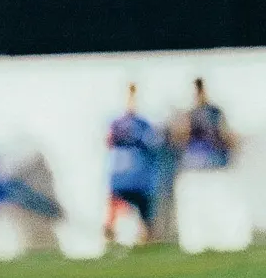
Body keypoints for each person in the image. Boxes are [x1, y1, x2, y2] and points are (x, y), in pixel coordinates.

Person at [169, 78, 250, 254]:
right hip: (194, 167)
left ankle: (223, 241)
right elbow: (179, 138)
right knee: (195, 209)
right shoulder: (189, 115)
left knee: (218, 206)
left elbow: (227, 137)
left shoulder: (214, 113)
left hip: (214, 166)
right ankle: (197, 243)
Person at [104, 83, 160, 245]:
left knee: (144, 209)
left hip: (139, 174)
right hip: (124, 174)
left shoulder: (143, 123)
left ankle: (145, 237)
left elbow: (152, 143)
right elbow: (108, 141)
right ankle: (112, 235)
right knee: (118, 205)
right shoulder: (117, 123)